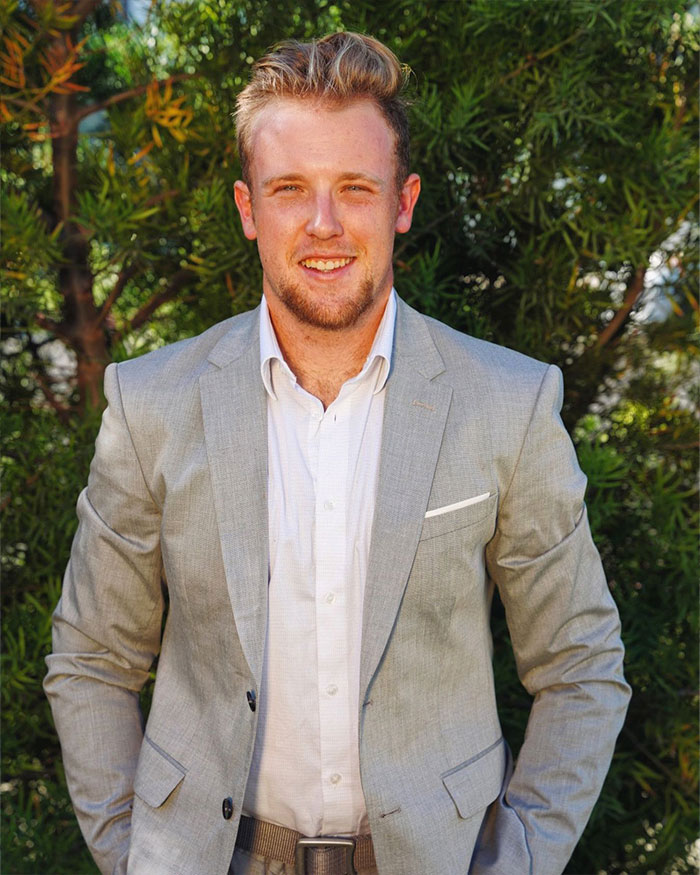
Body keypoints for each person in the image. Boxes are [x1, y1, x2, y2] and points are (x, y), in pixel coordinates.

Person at [44, 31, 631, 875]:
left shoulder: (506, 402)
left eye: (355, 188)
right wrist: (134, 856)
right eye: (291, 190)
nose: (324, 225)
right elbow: (92, 659)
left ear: (404, 201)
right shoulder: (154, 406)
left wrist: (519, 862)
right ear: (249, 209)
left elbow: (581, 664)